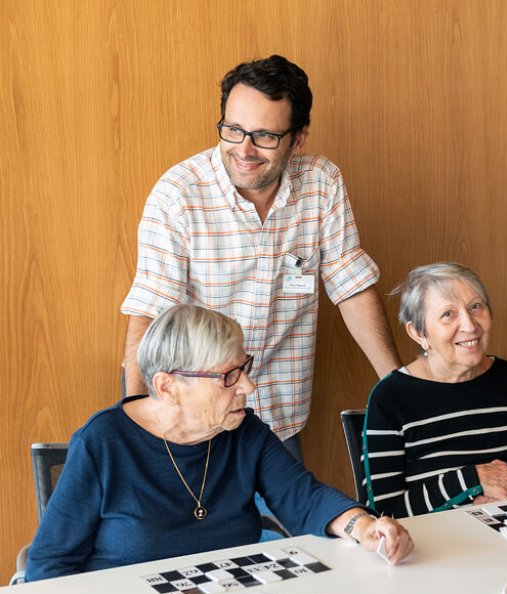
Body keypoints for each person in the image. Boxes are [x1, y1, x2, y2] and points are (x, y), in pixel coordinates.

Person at [120, 55, 400, 463]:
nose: (244, 150)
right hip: (195, 418)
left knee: (292, 525)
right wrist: (135, 423)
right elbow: (150, 312)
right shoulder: (179, 195)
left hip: (278, 416)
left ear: (298, 138)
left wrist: (399, 389)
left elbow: (351, 287)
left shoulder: (321, 184)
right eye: (233, 130)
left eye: (265, 136)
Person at [26, 305, 413, 580]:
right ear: (168, 386)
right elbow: (50, 565)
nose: (248, 385)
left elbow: (306, 498)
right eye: (228, 376)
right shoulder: (102, 443)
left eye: (243, 369)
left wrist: (364, 526)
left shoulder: (243, 432)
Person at [362, 263, 507, 518]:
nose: (470, 325)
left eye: (475, 307)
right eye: (448, 314)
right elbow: (383, 512)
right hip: (438, 547)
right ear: (418, 333)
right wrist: (473, 480)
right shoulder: (390, 397)